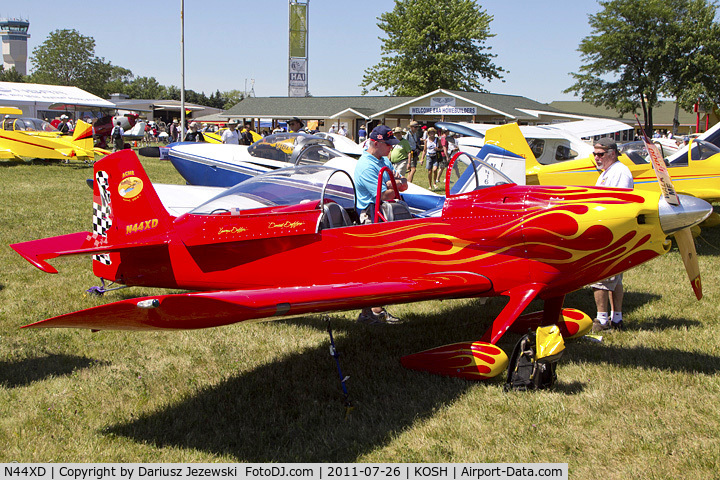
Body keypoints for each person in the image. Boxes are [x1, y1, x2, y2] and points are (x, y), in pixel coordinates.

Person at [353, 125, 409, 325]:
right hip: (371, 216)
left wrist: (395, 186)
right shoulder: (366, 166)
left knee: (383, 265)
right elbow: (382, 194)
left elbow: (401, 183)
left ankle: (372, 311)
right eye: (387, 145)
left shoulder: (383, 160)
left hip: (384, 212)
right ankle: (371, 312)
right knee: (375, 266)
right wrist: (395, 187)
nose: (391, 149)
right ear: (375, 143)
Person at [591, 137, 634, 332]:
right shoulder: (607, 173)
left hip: (611, 231)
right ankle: (616, 319)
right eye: (594, 154)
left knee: (600, 277)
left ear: (612, 153)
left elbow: (621, 202)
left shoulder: (620, 172)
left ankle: (601, 321)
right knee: (614, 279)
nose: (596, 158)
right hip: (609, 229)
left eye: (600, 154)